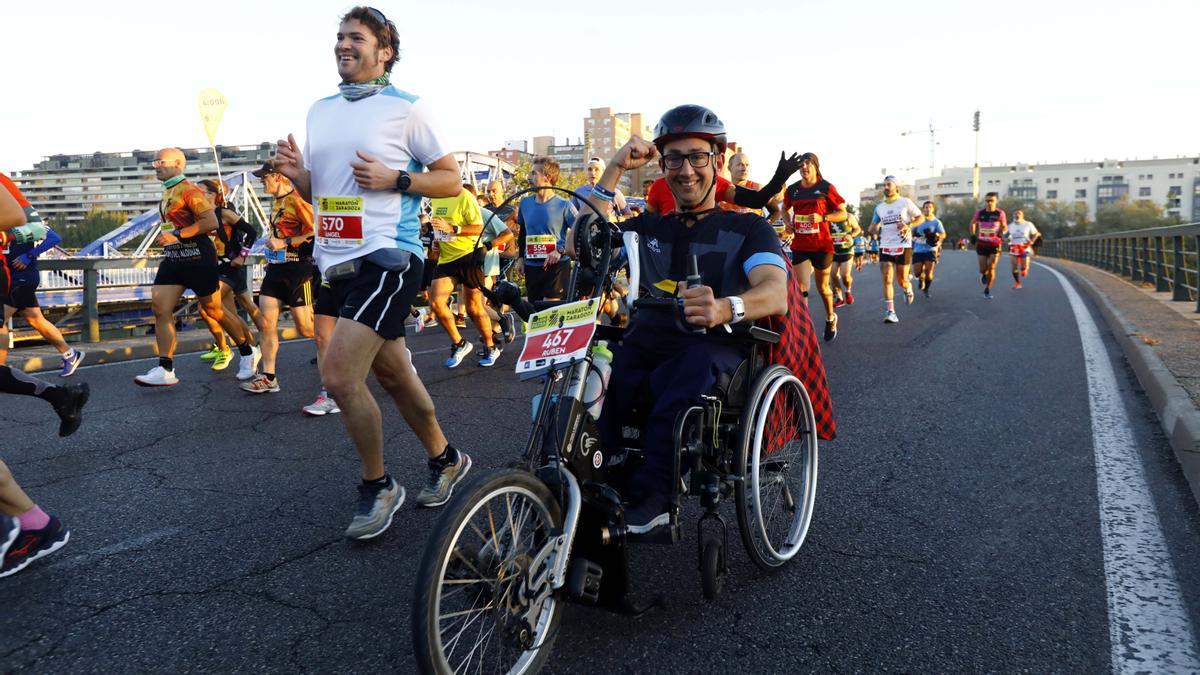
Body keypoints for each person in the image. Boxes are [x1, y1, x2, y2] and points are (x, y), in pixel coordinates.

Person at [271, 6, 472, 538]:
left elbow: (451, 181)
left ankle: (378, 485)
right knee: (393, 373)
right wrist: (298, 179)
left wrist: (397, 179)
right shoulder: (320, 110)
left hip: (389, 257)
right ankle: (446, 458)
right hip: (335, 262)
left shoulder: (407, 108)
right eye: (339, 37)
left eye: (355, 37)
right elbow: (328, 194)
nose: (343, 45)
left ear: (384, 51)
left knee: (338, 377)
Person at [577, 105, 789, 531]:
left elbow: (775, 291)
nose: (686, 170)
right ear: (662, 165)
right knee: (594, 369)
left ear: (717, 160)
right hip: (646, 341)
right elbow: (580, 243)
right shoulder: (648, 227)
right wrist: (615, 167)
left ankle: (655, 496)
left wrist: (725, 307)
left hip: (717, 346)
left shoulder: (748, 230)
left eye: (697, 157)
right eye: (673, 158)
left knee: (690, 371)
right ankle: (597, 477)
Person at [0, 178, 89, 578]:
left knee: (21, 321)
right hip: (10, 274)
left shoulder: (17, 206)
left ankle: (19, 526)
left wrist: (29, 250)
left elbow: (36, 226)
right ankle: (60, 390)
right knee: (24, 321)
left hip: (18, 274)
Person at [134, 148, 255, 387]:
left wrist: (179, 234)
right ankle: (165, 368)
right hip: (174, 258)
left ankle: (248, 351)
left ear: (178, 164)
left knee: (214, 311)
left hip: (198, 257)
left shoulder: (190, 190)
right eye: (154, 162)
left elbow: (210, 221)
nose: (155, 166)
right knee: (160, 308)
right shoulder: (170, 191)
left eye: (160, 161)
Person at [240, 163, 316, 393]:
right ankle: (269, 377)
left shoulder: (298, 200)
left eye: (265, 178)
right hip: (276, 270)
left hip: (299, 270)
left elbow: (317, 230)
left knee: (306, 329)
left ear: (280, 177)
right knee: (266, 324)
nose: (262, 182)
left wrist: (286, 242)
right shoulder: (278, 202)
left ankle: (347, 356)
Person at [0, 174, 84, 376]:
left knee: (2, 320)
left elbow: (53, 236)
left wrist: (30, 255)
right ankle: (69, 353)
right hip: (14, 274)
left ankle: (1, 373)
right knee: (35, 318)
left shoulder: (20, 218)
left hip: (23, 274)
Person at [195, 178, 261, 379]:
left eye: (202, 191)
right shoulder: (200, 216)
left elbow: (252, 231)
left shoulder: (223, 213)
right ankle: (250, 349)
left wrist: (242, 256)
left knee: (208, 306)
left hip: (230, 267)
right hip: (212, 268)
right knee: (230, 313)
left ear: (213, 195)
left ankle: (237, 348)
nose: (197, 195)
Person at [428, 186, 499, 368]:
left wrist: (453, 228)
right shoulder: (435, 197)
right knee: (435, 304)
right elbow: (440, 229)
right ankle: (460, 343)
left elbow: (478, 227)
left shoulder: (464, 196)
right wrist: (436, 243)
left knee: (474, 308)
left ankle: (491, 347)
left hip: (467, 255)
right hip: (446, 258)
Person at [782, 153, 848, 341]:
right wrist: (787, 223)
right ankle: (804, 328)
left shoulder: (826, 187)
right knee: (802, 287)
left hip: (822, 245)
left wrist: (823, 218)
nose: (804, 167)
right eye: (801, 165)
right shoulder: (793, 190)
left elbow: (842, 213)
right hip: (800, 245)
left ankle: (830, 317)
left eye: (807, 164)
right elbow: (783, 209)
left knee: (823, 288)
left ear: (815, 166)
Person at [516, 157, 578, 303]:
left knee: (549, 308)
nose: (529, 177)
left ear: (547, 177)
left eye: (533, 173)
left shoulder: (565, 205)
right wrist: (520, 258)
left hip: (557, 266)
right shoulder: (525, 203)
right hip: (532, 266)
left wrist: (561, 250)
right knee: (535, 310)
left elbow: (579, 232)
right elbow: (523, 231)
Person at [868, 176, 923, 323]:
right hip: (885, 245)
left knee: (901, 279)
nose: (886, 187)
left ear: (896, 187)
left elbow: (920, 218)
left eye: (889, 184)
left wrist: (908, 226)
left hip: (903, 245)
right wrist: (873, 228)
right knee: (887, 278)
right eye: (884, 185)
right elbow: (873, 226)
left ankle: (907, 286)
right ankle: (890, 311)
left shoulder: (905, 202)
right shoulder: (879, 207)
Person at [970, 192, 1007, 298]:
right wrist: (972, 235)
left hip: (995, 244)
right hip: (982, 244)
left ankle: (988, 289)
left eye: (992, 200)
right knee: (983, 269)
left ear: (996, 201)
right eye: (987, 200)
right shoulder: (980, 213)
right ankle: (983, 274)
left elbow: (1004, 226)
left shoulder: (1000, 213)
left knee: (992, 267)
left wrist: (1002, 232)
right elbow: (972, 223)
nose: (989, 203)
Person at [911, 201, 946, 298]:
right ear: (923, 209)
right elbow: (910, 233)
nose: (927, 209)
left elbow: (943, 234)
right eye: (926, 207)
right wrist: (915, 235)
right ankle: (921, 278)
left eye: (930, 207)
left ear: (933, 209)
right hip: (918, 249)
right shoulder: (917, 221)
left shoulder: (936, 222)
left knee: (929, 272)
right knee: (917, 273)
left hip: (931, 249)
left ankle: (926, 289)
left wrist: (937, 235)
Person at [830, 210, 861, 308]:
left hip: (847, 250)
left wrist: (851, 235)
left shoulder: (848, 216)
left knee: (845, 275)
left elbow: (857, 229)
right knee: (833, 275)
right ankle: (839, 298)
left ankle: (848, 290)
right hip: (833, 250)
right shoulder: (828, 216)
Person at [1007, 209, 1041, 288]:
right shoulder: (1010, 226)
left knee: (1023, 266)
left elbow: (1036, 234)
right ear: (1013, 215)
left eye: (1019, 213)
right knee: (1013, 267)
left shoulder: (1028, 224)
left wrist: (1032, 241)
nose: (1017, 215)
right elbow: (1006, 236)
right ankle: (1017, 283)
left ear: (1022, 215)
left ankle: (1024, 269)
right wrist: (1005, 239)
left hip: (1024, 247)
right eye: (1015, 214)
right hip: (1014, 247)